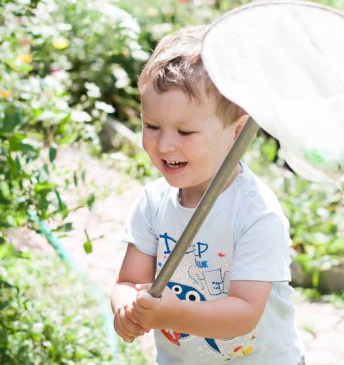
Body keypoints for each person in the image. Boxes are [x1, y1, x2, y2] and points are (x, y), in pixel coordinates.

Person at [111, 25, 304, 365]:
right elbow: (129, 280)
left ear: (237, 131)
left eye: (185, 131)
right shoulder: (153, 203)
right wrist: (128, 307)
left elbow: (243, 313)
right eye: (151, 125)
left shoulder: (256, 214)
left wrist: (170, 314)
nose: (164, 144)